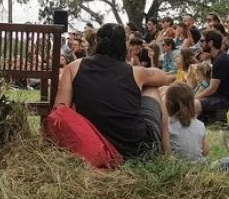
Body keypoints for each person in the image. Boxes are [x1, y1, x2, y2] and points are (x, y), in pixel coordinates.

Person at [55, 23, 171, 159]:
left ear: (97, 42)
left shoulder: (73, 68)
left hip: (94, 144)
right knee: (151, 88)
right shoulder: (135, 72)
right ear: (124, 46)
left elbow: (60, 110)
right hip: (137, 149)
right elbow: (163, 78)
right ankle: (167, 154)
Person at [194, 29, 229, 119]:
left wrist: (195, 97)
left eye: (203, 41)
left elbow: (212, 88)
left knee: (192, 104)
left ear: (211, 43)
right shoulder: (218, 57)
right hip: (220, 96)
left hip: (226, 100)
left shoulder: (220, 60)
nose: (201, 44)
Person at [166, 83, 208, 163]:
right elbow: (205, 151)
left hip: (176, 165)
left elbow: (166, 152)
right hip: (200, 164)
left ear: (169, 104)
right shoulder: (200, 124)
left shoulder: (168, 125)